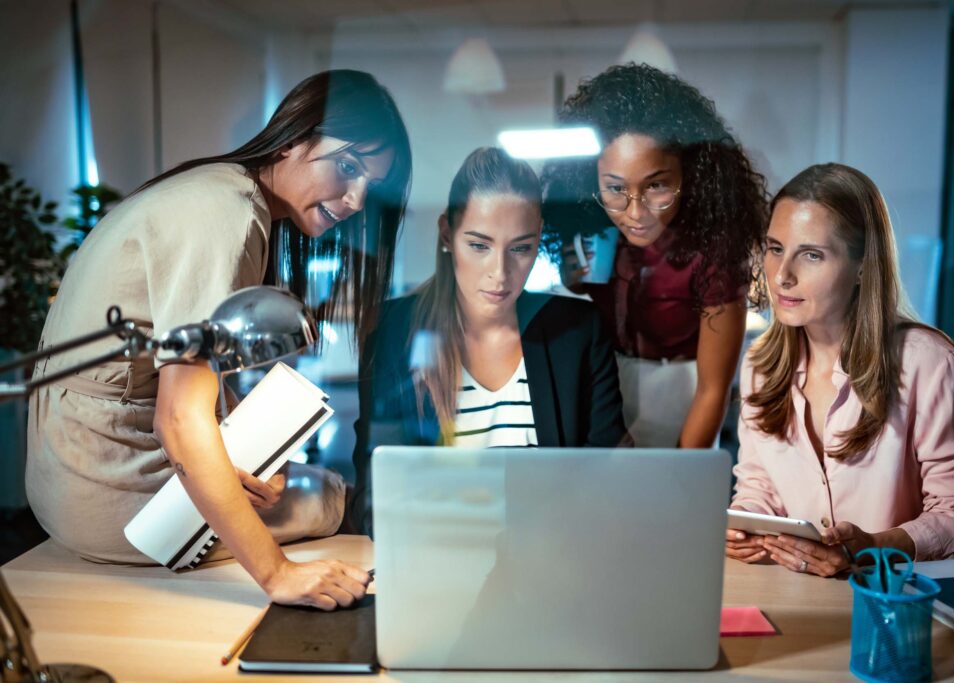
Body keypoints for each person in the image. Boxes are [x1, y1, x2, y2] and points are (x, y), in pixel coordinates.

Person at [27, 70, 412, 609]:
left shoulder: (219, 188)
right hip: (101, 482)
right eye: (348, 167)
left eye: (371, 184)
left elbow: (191, 389)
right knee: (326, 496)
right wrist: (279, 574)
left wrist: (255, 462)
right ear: (295, 135)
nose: (354, 200)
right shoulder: (228, 214)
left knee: (295, 484)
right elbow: (179, 418)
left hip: (66, 468)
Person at [727, 163, 954, 575]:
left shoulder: (927, 362)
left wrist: (873, 547)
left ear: (862, 267)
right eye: (775, 248)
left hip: (893, 598)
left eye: (812, 254)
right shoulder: (759, 364)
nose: (782, 275)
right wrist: (745, 524)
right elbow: (759, 486)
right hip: (794, 593)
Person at [349, 147, 627, 536]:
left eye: (520, 248)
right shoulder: (396, 333)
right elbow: (376, 502)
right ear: (447, 234)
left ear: (539, 240)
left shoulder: (578, 332)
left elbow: (611, 484)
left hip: (554, 562)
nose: (500, 273)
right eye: (479, 245)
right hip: (442, 563)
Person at [542, 63, 768, 448]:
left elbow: (712, 390)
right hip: (605, 389)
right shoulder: (593, 221)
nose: (634, 212)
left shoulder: (714, 248)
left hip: (684, 396)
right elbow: (582, 288)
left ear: (692, 174)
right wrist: (572, 276)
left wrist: (681, 474)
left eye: (657, 186)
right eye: (615, 188)